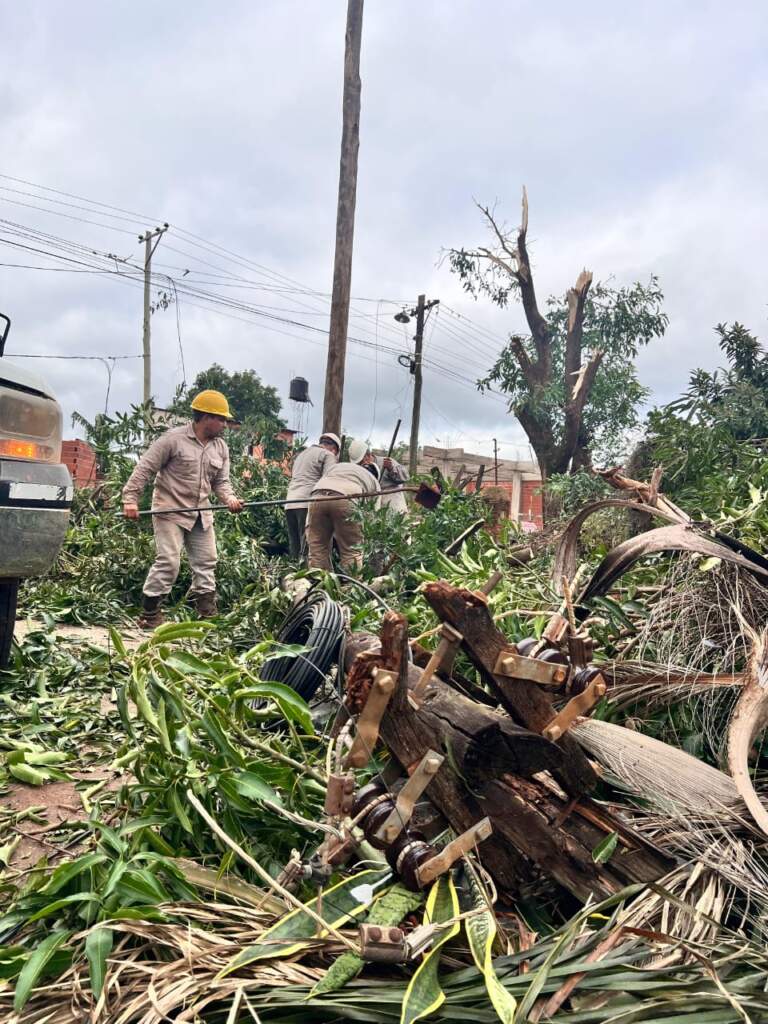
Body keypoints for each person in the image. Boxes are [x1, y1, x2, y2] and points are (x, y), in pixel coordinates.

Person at [122, 390, 243, 627]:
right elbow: (145, 468)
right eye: (221, 419)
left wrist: (229, 499)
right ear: (206, 417)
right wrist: (130, 499)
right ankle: (149, 615)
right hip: (170, 510)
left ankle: (206, 613)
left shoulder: (221, 448)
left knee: (207, 562)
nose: (225, 425)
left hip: (201, 513)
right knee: (169, 561)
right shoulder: (172, 440)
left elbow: (221, 483)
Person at [307, 439, 380, 571]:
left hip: (317, 495)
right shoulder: (374, 482)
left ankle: (317, 584)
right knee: (352, 549)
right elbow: (373, 515)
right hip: (346, 496)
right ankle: (350, 588)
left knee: (318, 547)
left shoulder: (339, 466)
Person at [284, 432, 340, 559]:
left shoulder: (301, 454)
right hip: (307, 503)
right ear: (334, 449)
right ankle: (308, 576)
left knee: (295, 546)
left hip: (290, 503)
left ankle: (292, 575)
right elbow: (329, 481)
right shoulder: (328, 454)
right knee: (309, 546)